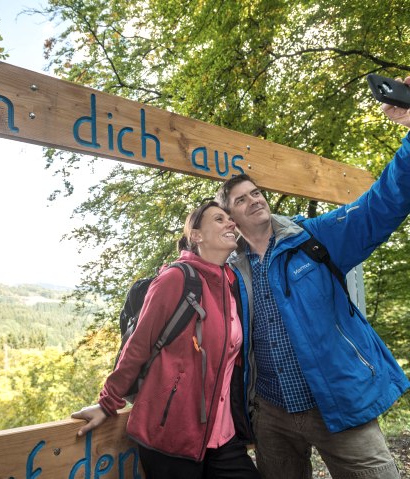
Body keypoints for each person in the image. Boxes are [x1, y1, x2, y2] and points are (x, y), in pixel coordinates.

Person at [215, 78, 410, 479]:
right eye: (241, 200)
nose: (254, 200)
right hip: (272, 414)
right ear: (231, 218)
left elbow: (383, 203)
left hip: (337, 401)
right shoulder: (231, 272)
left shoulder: (316, 238)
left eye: (256, 193)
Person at [71, 201, 261, 479]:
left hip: (222, 438)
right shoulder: (176, 278)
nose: (231, 223)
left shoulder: (231, 284)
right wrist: (107, 402)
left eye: (230, 220)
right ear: (196, 236)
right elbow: (138, 346)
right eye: (219, 219)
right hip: (170, 438)